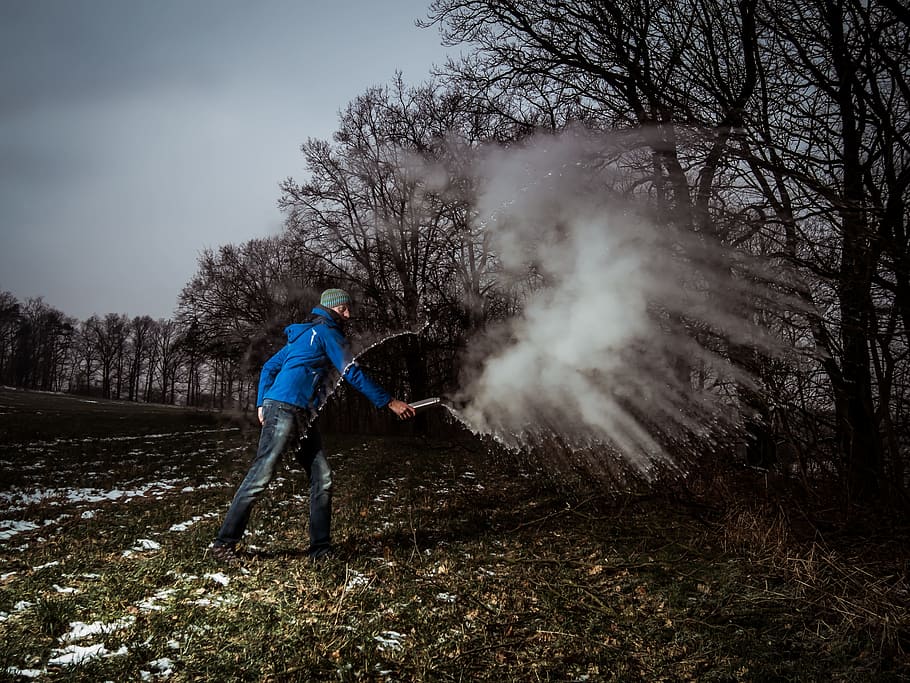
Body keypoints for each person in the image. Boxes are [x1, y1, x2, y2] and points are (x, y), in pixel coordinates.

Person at [210, 288, 416, 564]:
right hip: (285, 409)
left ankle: (320, 551)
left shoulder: (307, 335)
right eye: (344, 310)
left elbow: (270, 368)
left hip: (299, 413)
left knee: (323, 477)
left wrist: (262, 403)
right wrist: (389, 402)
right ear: (331, 309)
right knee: (261, 474)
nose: (349, 314)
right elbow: (351, 372)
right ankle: (223, 544)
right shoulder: (326, 333)